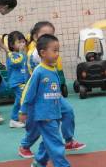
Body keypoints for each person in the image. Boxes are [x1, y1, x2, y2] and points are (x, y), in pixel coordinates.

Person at [18, 21, 85, 159]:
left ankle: (69, 140)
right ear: (35, 37)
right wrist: (23, 110)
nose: (49, 37)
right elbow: (35, 82)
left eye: (51, 34)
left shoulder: (50, 52)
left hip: (52, 94)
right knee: (36, 126)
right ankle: (25, 146)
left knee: (67, 111)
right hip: (38, 96)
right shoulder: (34, 55)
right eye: (45, 34)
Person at [6, 31, 29, 128]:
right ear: (12, 44)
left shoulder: (22, 54)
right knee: (21, 99)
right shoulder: (12, 55)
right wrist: (21, 53)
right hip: (16, 82)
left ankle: (19, 118)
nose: (22, 44)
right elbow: (17, 63)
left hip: (23, 82)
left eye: (23, 42)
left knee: (20, 99)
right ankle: (15, 119)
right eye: (19, 42)